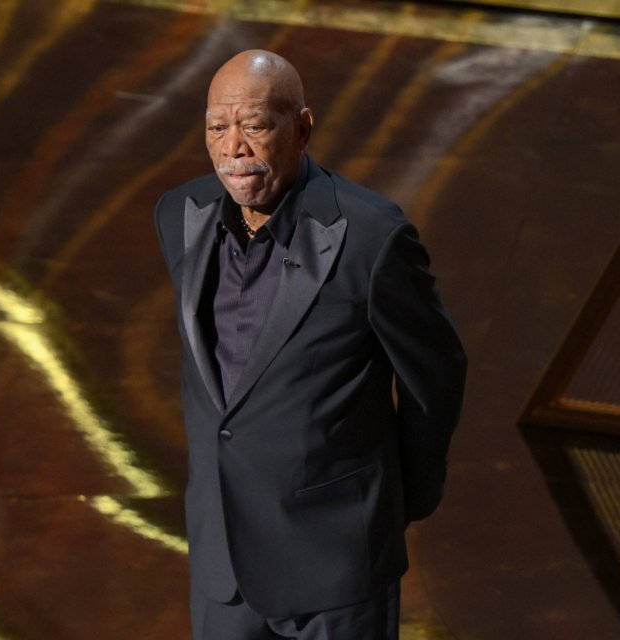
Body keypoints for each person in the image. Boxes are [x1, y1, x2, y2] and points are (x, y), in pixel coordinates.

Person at [154, 49, 466, 640]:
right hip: (223, 563)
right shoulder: (180, 214)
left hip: (337, 560)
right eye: (217, 128)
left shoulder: (373, 236)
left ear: (302, 128)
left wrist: (403, 499)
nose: (233, 148)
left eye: (256, 125)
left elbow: (436, 376)